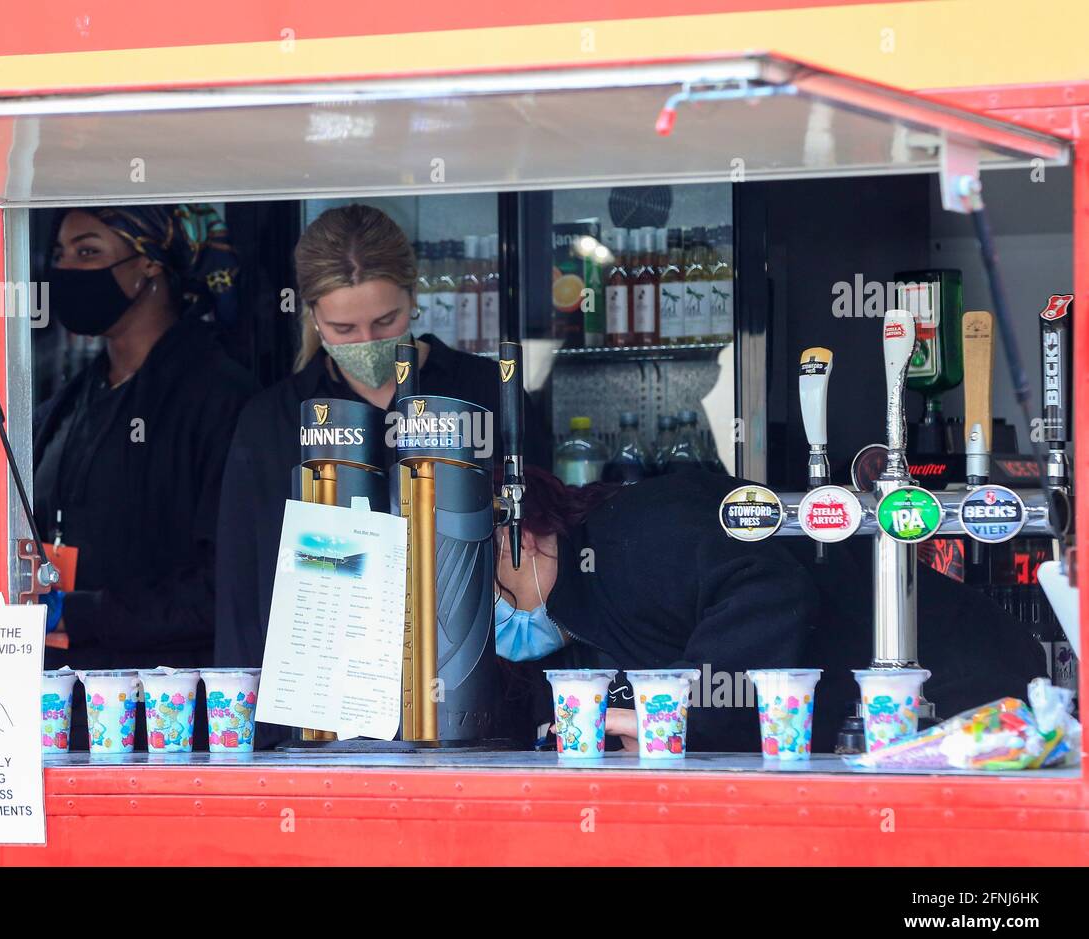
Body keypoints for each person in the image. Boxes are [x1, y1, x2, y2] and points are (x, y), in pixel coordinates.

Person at [215, 204, 550, 746]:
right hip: (324, 713)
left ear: (414, 299)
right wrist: (247, 735)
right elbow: (244, 583)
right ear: (311, 316)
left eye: (386, 321)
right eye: (343, 328)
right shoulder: (275, 419)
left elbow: (541, 548)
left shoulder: (483, 390)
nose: (366, 342)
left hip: (476, 702)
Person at [493, 465, 1050, 753]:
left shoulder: (638, 528)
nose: (491, 608)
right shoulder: (566, 629)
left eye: (496, 586)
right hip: (852, 744)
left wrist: (688, 721)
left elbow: (767, 585)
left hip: (965, 690)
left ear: (520, 532)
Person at [36, 204, 253, 671]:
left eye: (88, 251)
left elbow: (227, 581)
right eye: (60, 254)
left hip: (170, 703)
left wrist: (85, 613)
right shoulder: (71, 401)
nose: (66, 270)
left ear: (151, 263)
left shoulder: (220, 398)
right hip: (63, 694)